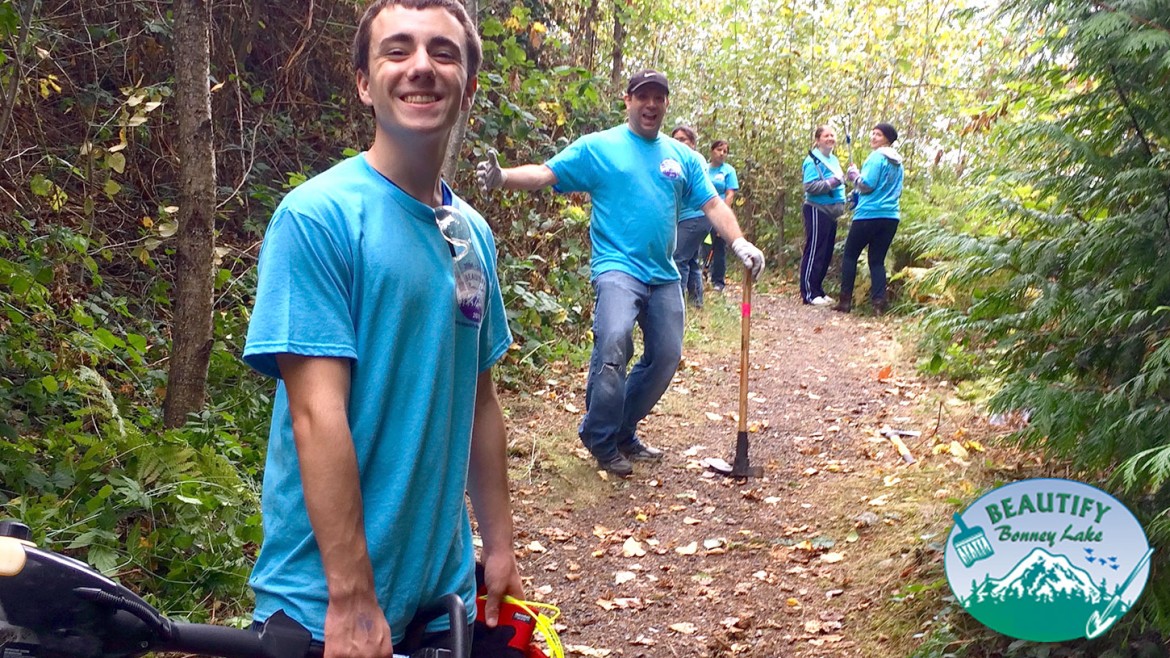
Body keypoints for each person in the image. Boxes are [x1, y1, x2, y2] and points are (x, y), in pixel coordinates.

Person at [241, 2, 523, 657]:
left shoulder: (470, 237)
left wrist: (501, 544)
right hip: (324, 604)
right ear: (365, 83)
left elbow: (478, 400)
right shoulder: (317, 219)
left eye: (443, 52)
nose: (420, 66)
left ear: (469, 85)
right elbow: (316, 414)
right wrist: (352, 597)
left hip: (440, 596)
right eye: (397, 50)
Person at [476, 70, 765, 478]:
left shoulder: (682, 157)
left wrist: (739, 243)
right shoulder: (600, 147)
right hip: (617, 268)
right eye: (643, 96)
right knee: (613, 341)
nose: (651, 105)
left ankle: (623, 429)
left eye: (658, 98)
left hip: (663, 274)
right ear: (627, 100)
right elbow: (546, 173)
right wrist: (502, 177)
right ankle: (600, 436)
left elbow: (713, 205)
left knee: (666, 356)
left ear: (666, 104)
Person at [835, 122, 904, 314]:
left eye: (878, 135)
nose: (873, 137)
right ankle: (879, 304)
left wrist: (855, 176)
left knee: (850, 255)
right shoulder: (899, 163)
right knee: (877, 260)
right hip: (890, 216)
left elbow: (867, 185)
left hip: (869, 214)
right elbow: (897, 191)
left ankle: (845, 301)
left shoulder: (876, 157)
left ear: (887, 140)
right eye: (873, 133)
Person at [800, 126, 847, 306]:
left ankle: (818, 289)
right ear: (818, 139)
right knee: (815, 250)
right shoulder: (813, 161)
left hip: (832, 211)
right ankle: (809, 293)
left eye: (832, 135)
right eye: (826, 135)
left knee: (826, 252)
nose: (830, 138)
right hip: (817, 208)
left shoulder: (833, 159)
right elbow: (810, 187)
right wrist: (833, 182)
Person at [670, 125, 709, 308]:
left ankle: (678, 304)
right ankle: (696, 303)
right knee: (692, 260)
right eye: (675, 140)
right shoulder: (676, 159)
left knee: (678, 258)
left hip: (695, 216)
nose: (678, 143)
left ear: (692, 143)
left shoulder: (694, 158)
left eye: (682, 139)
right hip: (688, 217)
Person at [702, 140, 739, 292]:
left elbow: (730, 194)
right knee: (703, 245)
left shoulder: (728, 171)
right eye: (719, 150)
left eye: (725, 151)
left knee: (719, 248)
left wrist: (723, 217)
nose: (722, 153)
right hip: (702, 214)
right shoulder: (704, 168)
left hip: (719, 214)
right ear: (712, 151)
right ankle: (701, 277)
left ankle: (718, 281)